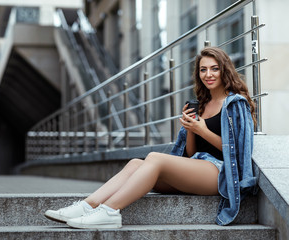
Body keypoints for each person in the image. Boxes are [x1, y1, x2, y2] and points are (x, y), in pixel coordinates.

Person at [44, 47, 257, 228]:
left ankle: (109, 212)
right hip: (198, 166)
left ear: (224, 71)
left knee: (154, 157)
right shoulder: (200, 104)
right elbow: (191, 153)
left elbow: (238, 152)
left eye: (214, 69)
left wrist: (203, 131)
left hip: (221, 174)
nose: (208, 74)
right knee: (136, 163)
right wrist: (190, 129)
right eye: (203, 69)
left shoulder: (236, 104)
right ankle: (87, 206)